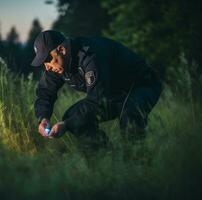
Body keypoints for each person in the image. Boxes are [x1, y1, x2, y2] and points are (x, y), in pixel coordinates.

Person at [31, 30, 162, 146]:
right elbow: (45, 93)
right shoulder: (56, 66)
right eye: (43, 62)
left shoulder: (90, 55)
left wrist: (67, 125)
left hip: (142, 84)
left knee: (129, 116)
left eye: (48, 59)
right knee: (72, 117)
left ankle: (139, 163)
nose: (46, 66)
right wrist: (43, 117)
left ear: (62, 50)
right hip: (114, 94)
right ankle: (106, 157)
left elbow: (97, 99)